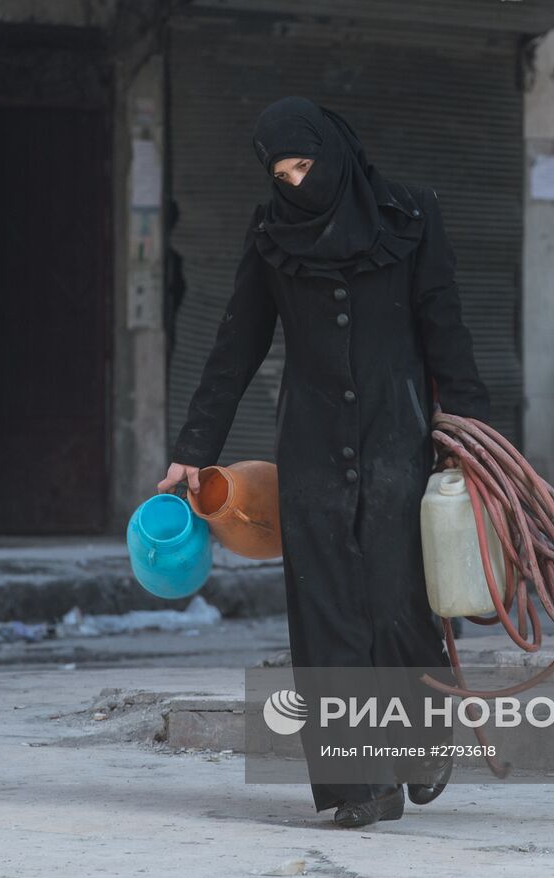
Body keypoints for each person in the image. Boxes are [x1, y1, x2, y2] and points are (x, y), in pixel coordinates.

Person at [157, 96, 492, 827]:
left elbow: (447, 330)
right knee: (327, 611)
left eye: (304, 166)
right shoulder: (273, 233)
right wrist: (193, 451)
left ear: (334, 153)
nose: (294, 184)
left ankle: (424, 737)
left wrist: (474, 438)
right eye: (280, 173)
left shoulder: (411, 215)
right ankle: (356, 786)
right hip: (308, 449)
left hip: (397, 441)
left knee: (401, 601)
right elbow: (235, 343)